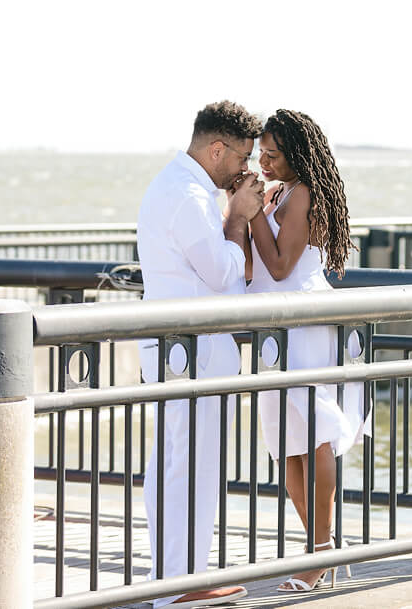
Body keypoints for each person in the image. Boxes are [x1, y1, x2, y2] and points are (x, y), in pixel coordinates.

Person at [137, 100, 264, 607]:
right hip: (192, 350)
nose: (246, 170)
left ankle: (173, 578)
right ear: (217, 149)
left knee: (172, 463)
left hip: (175, 347)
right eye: (241, 158)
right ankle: (181, 585)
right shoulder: (189, 196)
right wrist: (236, 218)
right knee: (192, 466)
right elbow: (219, 271)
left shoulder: (173, 184)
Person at [244, 109, 367, 592]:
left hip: (305, 323)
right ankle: (323, 546)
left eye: (273, 154)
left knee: (315, 434)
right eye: (260, 153)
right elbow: (252, 265)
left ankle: (317, 553)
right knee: (286, 442)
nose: (264, 161)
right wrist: (244, 207)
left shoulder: (304, 195)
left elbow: (278, 266)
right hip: (276, 327)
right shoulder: (275, 192)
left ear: (297, 154)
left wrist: (254, 215)